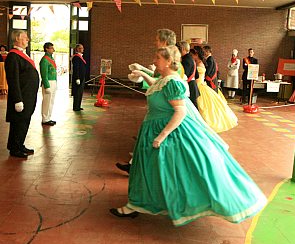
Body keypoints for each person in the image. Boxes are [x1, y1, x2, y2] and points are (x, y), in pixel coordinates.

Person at [109, 45, 267, 226]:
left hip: (168, 131)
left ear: (169, 61)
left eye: (157, 58)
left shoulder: (174, 82)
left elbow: (180, 111)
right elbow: (158, 87)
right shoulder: (164, 79)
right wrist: (144, 74)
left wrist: (162, 136)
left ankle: (152, 203)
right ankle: (137, 204)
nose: (154, 61)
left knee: (185, 171)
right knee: (147, 169)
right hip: (154, 129)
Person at [116, 28, 177, 174]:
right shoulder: (167, 59)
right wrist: (143, 72)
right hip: (158, 114)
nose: (154, 61)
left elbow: (165, 84)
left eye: (157, 40)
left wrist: (143, 72)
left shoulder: (172, 63)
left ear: (164, 41)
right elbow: (159, 82)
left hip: (165, 114)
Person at [5, 30, 39, 158]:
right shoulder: (13, 56)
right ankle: (14, 148)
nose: (27, 40)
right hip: (21, 96)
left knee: (24, 121)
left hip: (28, 95)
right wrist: (18, 99)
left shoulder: (22, 55)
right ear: (17, 39)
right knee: (18, 122)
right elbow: (13, 80)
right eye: (25, 37)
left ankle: (19, 144)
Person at [191, 47, 238, 133]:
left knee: (203, 106)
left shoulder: (203, 62)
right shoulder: (201, 62)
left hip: (200, 84)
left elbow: (208, 73)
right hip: (201, 84)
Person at [177, 41, 199, 108]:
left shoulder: (186, 60)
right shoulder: (190, 58)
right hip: (192, 85)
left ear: (183, 49)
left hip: (190, 86)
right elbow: (197, 75)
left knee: (192, 109)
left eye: (178, 49)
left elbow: (183, 75)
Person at [40, 42, 57, 126]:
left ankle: (48, 117)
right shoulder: (44, 60)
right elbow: (44, 74)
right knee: (47, 101)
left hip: (53, 81)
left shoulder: (51, 59)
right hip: (48, 82)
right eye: (51, 48)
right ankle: (44, 119)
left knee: (51, 101)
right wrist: (46, 86)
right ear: (46, 49)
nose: (53, 49)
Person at [71, 44, 87, 111]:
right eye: (80, 48)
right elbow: (76, 68)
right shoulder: (76, 57)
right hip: (78, 78)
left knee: (80, 92)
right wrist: (77, 78)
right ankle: (75, 107)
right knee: (77, 92)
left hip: (82, 77)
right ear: (77, 49)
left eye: (82, 48)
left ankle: (78, 105)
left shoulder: (80, 57)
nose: (82, 49)